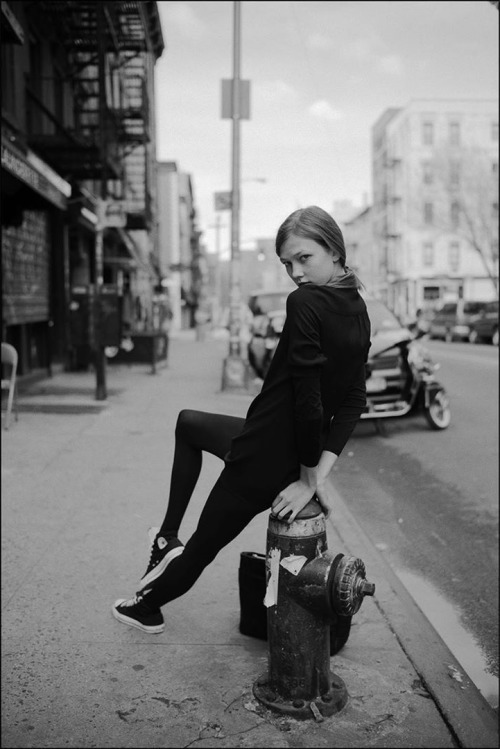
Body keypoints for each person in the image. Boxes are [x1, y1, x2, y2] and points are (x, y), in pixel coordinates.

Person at [112, 205, 371, 634]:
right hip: (265, 440)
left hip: (261, 460)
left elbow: (310, 402)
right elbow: (352, 399)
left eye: (304, 258)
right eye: (287, 263)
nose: (296, 273)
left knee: (202, 548)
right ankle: (164, 538)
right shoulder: (357, 308)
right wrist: (318, 473)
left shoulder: (304, 302)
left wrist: (309, 478)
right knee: (188, 423)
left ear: (335, 250)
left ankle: (144, 608)